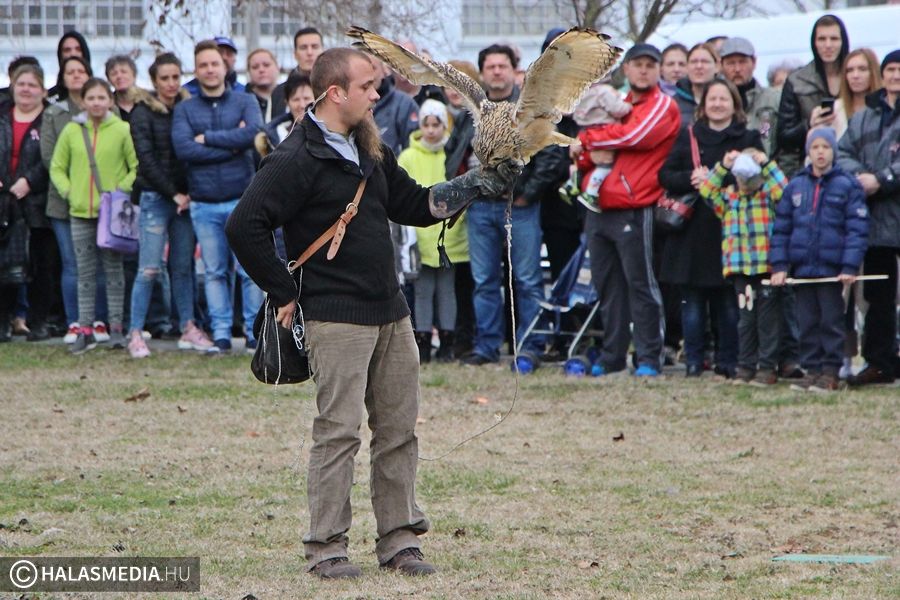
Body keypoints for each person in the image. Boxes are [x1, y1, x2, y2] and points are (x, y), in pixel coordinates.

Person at [225, 47, 515, 579]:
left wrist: (476, 182)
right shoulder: (295, 158)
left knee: (399, 431)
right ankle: (326, 549)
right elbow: (244, 225)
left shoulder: (370, 148)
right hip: (335, 317)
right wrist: (284, 292)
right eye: (368, 86)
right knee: (339, 434)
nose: (377, 94)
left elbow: (417, 205)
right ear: (336, 93)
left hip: (391, 311)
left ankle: (400, 541)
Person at [574, 43, 681, 376]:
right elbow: (580, 147)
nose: (644, 70)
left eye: (651, 64)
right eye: (638, 64)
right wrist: (587, 148)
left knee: (641, 284)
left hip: (635, 207)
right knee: (607, 287)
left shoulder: (663, 104)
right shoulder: (617, 101)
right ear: (627, 69)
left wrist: (590, 141)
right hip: (598, 206)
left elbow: (635, 136)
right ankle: (612, 357)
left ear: (659, 70)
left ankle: (649, 356)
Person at [659, 79, 763, 378]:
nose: (718, 104)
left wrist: (716, 178)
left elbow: (756, 180)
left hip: (731, 229)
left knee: (729, 304)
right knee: (691, 303)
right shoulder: (688, 135)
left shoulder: (748, 137)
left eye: (724, 99)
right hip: (691, 231)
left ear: (735, 104)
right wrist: (691, 178)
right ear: (703, 106)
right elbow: (665, 175)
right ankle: (693, 360)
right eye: (712, 99)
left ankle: (728, 360)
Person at [172, 40, 264, 353]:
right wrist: (231, 146)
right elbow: (184, 149)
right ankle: (221, 333)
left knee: (250, 270)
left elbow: (253, 135)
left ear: (225, 67)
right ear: (195, 71)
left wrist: (208, 140)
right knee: (214, 272)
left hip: (243, 200)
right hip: (204, 203)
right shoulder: (184, 108)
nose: (210, 70)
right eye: (203, 65)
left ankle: (254, 333)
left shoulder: (245, 100)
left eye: (215, 64)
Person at [459, 43, 547, 366]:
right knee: (483, 281)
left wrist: (527, 193)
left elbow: (550, 156)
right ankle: (486, 346)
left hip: (519, 207)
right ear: (482, 73)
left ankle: (531, 345)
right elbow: (455, 154)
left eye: (502, 65)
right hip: (480, 208)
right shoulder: (469, 112)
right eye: (491, 66)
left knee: (527, 278)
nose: (496, 71)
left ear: (513, 70)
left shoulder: (530, 109)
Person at [126, 53, 213, 358]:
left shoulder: (188, 107)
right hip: (155, 197)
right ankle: (135, 332)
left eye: (176, 76)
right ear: (154, 81)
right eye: (165, 78)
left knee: (183, 267)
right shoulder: (141, 112)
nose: (172, 83)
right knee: (148, 269)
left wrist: (187, 194)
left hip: (186, 198)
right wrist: (173, 194)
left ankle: (188, 327)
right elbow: (146, 161)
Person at [771, 128, 868, 392]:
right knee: (807, 321)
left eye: (826, 147)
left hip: (832, 270)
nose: (820, 152)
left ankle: (830, 371)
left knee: (830, 321)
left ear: (833, 151)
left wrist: (849, 266)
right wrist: (779, 265)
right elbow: (781, 229)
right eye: (815, 147)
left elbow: (856, 230)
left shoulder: (847, 185)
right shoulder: (795, 186)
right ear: (808, 152)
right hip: (803, 269)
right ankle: (811, 368)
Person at [49, 77, 137, 353]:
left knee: (113, 271)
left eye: (102, 98)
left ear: (110, 101)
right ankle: (84, 328)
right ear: (83, 101)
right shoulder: (72, 131)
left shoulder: (122, 129)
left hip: (112, 216)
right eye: (91, 98)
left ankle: (116, 329)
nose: (97, 103)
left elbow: (135, 167)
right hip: (79, 213)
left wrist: (119, 192)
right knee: (83, 272)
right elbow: (57, 167)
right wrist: (69, 192)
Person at [838, 49, 900, 386]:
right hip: (876, 222)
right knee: (879, 296)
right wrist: (862, 177)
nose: (895, 75)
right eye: (890, 69)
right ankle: (879, 361)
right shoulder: (865, 116)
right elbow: (841, 152)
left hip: (891, 204)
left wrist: (883, 179)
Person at [700, 148, 788, 385]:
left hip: (765, 268)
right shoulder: (729, 199)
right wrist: (723, 165)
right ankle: (746, 366)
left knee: (767, 320)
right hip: (740, 270)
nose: (745, 183)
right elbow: (706, 191)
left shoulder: (768, 196)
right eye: (741, 177)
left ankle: (768, 367)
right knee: (746, 320)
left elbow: (785, 192)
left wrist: (766, 164)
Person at [41, 56, 110, 344]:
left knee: (103, 264)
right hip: (65, 202)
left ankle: (100, 321)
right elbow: (49, 157)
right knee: (73, 264)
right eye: (70, 72)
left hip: (103, 203)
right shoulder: (55, 113)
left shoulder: (109, 113)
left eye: (81, 71)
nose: (76, 75)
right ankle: (75, 322)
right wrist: (71, 189)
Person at [398, 99, 463, 362]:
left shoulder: (452, 153)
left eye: (437, 124)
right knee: (423, 292)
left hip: (450, 235)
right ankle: (422, 342)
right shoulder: (408, 156)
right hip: (419, 236)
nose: (432, 130)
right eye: (427, 124)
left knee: (447, 291)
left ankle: (448, 342)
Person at [0, 64, 54, 342]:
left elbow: (54, 157)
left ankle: (39, 321)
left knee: (40, 265)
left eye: (32, 85)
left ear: (43, 90)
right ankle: (3, 321)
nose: (26, 89)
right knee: (5, 264)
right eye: (21, 84)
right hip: (3, 203)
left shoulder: (51, 119)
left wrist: (29, 181)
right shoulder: (2, 117)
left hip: (38, 201)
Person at [776, 14, 849, 176]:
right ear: (814, 43)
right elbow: (783, 136)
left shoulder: (856, 76)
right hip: (809, 169)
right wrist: (809, 124)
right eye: (822, 39)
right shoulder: (797, 81)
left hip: (851, 164)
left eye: (834, 39)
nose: (828, 45)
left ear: (843, 41)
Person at [442, 59, 480, 357]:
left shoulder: (476, 115)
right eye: (448, 82)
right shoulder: (452, 119)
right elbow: (451, 158)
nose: (453, 89)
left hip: (476, 204)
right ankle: (461, 338)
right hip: (457, 203)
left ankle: (475, 338)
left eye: (461, 81)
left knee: (475, 278)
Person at [566, 81, 631, 212]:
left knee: (583, 160)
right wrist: (629, 105)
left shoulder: (580, 91)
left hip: (584, 130)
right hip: (602, 130)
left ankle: (570, 184)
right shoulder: (603, 90)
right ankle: (591, 193)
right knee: (605, 163)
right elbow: (618, 110)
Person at [719, 37, 782, 157]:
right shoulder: (715, 102)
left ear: (754, 63)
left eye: (742, 62)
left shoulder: (772, 99)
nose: (737, 69)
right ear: (721, 65)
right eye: (731, 63)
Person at [370, 57, 420, 156]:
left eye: (373, 68)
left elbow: (414, 151)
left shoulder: (404, 104)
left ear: (384, 70)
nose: (369, 75)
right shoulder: (349, 106)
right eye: (362, 70)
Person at [271, 27, 324, 114]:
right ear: (295, 54)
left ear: (323, 51)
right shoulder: (280, 92)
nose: (309, 52)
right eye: (303, 48)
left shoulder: (336, 88)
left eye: (315, 47)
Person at [834, 48, 882, 137]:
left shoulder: (887, 107)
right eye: (850, 70)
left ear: (873, 72)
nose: (855, 76)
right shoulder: (836, 109)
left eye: (862, 69)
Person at [672, 43, 720, 126]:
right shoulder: (672, 104)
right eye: (694, 62)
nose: (699, 66)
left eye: (705, 61)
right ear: (687, 67)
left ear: (717, 67)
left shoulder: (728, 100)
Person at [47, 31, 92, 104]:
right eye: (67, 50)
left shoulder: (101, 95)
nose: (73, 54)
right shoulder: (49, 99)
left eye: (78, 49)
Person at [245, 48, 284, 123]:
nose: (261, 70)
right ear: (249, 72)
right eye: (255, 67)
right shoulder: (242, 101)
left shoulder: (289, 98)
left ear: (277, 68)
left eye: (266, 65)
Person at [105, 55, 140, 122]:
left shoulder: (149, 102)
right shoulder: (106, 106)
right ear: (109, 80)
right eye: (114, 74)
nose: (119, 76)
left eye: (124, 72)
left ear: (134, 75)